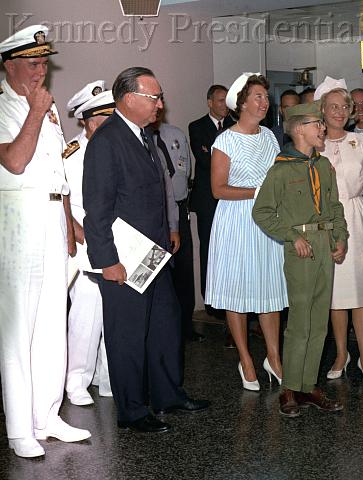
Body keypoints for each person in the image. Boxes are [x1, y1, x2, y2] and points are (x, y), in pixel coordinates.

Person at [83, 66, 208, 434]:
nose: (161, 104)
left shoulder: (143, 136)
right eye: (154, 97)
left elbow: (157, 191)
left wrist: (170, 229)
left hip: (152, 254)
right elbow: (97, 209)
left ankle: (167, 394)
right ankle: (132, 411)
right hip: (123, 258)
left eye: (160, 97)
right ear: (129, 99)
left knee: (165, 325)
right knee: (127, 335)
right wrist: (108, 262)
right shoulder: (107, 141)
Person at [0, 24, 90, 458]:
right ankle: (20, 429)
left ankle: (47, 415)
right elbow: (16, 162)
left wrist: (70, 223)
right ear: (9, 65)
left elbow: (59, 173)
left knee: (53, 322)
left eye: (43, 64)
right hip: (18, 216)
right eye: (33, 64)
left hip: (53, 215)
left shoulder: (46, 107)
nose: (41, 73)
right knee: (19, 327)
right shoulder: (6, 106)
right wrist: (35, 112)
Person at [252, 101, 348, 417]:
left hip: (324, 244)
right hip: (302, 248)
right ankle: (290, 388)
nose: (323, 127)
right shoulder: (281, 169)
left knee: (319, 320)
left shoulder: (323, 166)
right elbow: (261, 211)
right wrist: (292, 236)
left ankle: (308, 385)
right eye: (317, 123)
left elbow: (335, 206)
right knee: (300, 322)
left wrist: (341, 238)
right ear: (298, 129)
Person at [205, 73, 288, 391]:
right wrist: (258, 192)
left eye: (266, 97)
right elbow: (217, 189)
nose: (265, 102)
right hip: (237, 222)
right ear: (241, 103)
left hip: (267, 222)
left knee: (270, 291)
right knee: (237, 293)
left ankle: (274, 358)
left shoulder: (269, 136)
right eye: (258, 96)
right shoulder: (224, 140)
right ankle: (246, 360)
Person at [314, 77, 363, 384]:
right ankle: (341, 353)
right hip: (327, 222)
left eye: (344, 107)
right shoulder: (314, 143)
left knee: (361, 293)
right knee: (335, 295)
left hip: (357, 218)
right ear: (322, 110)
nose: (339, 112)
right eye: (333, 106)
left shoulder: (361, 141)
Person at [65, 86, 115, 406]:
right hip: (85, 242)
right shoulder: (71, 154)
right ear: (87, 120)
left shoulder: (114, 149)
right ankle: (76, 380)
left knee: (113, 313)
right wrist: (83, 235)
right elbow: (63, 202)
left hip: (114, 241)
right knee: (86, 314)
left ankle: (108, 377)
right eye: (104, 117)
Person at [151, 107, 202, 342]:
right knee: (160, 273)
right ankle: (163, 332)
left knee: (183, 272)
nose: (157, 108)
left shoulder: (176, 134)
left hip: (179, 210)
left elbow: (186, 170)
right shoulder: (140, 140)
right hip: (154, 214)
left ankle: (186, 327)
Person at [188, 84, 234, 315]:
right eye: (219, 101)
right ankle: (211, 302)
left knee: (231, 250)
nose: (224, 105)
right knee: (208, 249)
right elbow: (206, 161)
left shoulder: (236, 126)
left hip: (232, 199)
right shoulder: (197, 127)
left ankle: (231, 299)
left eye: (227, 101)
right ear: (209, 102)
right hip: (207, 201)